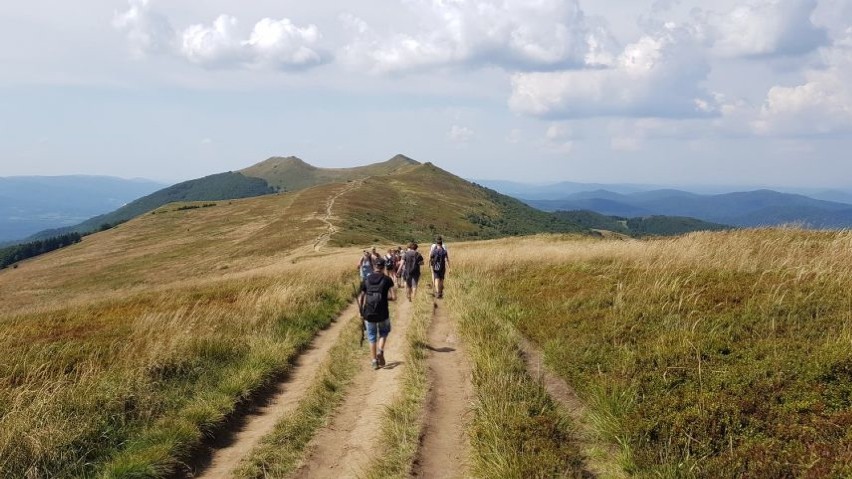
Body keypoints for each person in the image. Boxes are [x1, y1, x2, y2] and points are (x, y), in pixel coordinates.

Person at [359, 259, 396, 370]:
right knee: (384, 332)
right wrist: (385, 297)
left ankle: (374, 361)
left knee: (371, 337)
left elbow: (361, 297)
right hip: (383, 312)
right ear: (384, 267)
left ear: (373, 266)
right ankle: (380, 350)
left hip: (369, 313)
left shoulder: (366, 280)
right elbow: (394, 297)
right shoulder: (387, 280)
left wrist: (360, 312)